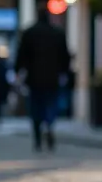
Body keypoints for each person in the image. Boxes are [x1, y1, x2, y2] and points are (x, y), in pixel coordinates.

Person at [14, 8, 70, 151]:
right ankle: (49, 124)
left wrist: (17, 71)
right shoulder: (57, 33)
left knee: (35, 107)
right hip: (52, 78)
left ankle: (38, 136)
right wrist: (64, 73)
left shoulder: (29, 33)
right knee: (50, 104)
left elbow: (21, 55)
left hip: (34, 78)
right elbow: (65, 56)